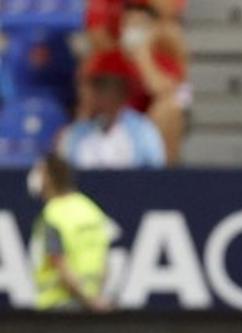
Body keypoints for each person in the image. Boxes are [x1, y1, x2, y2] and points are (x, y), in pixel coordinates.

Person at [83, 0, 189, 164]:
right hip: (110, 125)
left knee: (170, 107)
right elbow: (91, 95)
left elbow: (165, 91)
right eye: (129, 25)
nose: (133, 31)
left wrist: (142, 56)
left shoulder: (163, 60)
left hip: (144, 130)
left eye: (140, 26)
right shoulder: (108, 58)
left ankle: (162, 176)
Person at [27, 154, 113, 312]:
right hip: (90, 307)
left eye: (40, 172)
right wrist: (95, 299)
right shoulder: (91, 209)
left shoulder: (53, 215)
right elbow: (105, 263)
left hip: (58, 308)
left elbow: (60, 265)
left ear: (48, 178)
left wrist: (89, 300)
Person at [59, 59, 167, 169]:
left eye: (102, 86)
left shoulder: (143, 132)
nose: (86, 95)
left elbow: (155, 178)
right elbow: (63, 180)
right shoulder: (73, 135)